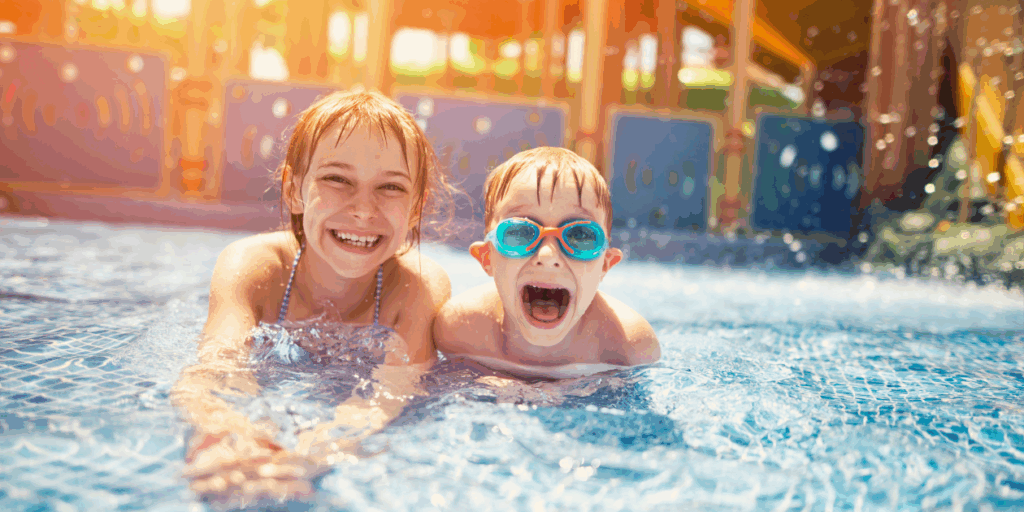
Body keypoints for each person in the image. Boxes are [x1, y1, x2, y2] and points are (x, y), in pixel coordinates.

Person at [171, 89, 453, 504]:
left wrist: (312, 453)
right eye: (337, 179)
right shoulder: (255, 267)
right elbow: (216, 365)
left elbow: (391, 394)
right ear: (294, 189)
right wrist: (227, 430)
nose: (363, 209)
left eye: (390, 187)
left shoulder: (416, 287)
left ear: (415, 209)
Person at [433, 147, 660, 380]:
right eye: (520, 232)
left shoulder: (627, 349)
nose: (548, 256)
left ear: (605, 265)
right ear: (487, 258)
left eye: (580, 235)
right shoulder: (460, 332)